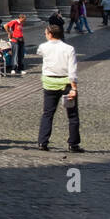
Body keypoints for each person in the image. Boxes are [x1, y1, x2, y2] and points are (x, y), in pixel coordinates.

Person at [36, 23, 82, 152]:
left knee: (47, 113)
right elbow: (72, 70)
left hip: (49, 83)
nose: (45, 35)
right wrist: (74, 88)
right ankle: (73, 144)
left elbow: (39, 52)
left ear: (50, 34)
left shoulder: (43, 47)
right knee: (72, 115)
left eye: (46, 33)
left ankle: (42, 142)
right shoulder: (69, 48)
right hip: (66, 84)